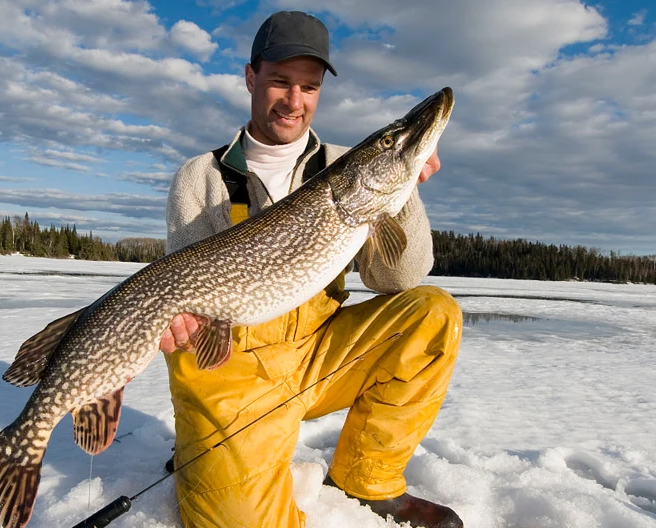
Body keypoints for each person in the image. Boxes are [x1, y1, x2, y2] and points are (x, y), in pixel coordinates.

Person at [160, 10, 463, 528]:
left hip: (320, 356)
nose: (294, 101)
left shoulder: (347, 165)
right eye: (279, 80)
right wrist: (181, 323)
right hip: (234, 370)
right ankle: (213, 451)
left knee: (432, 313)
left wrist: (404, 186)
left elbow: (399, 279)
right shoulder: (201, 177)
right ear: (251, 76)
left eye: (309, 86)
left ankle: (366, 481)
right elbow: (191, 300)